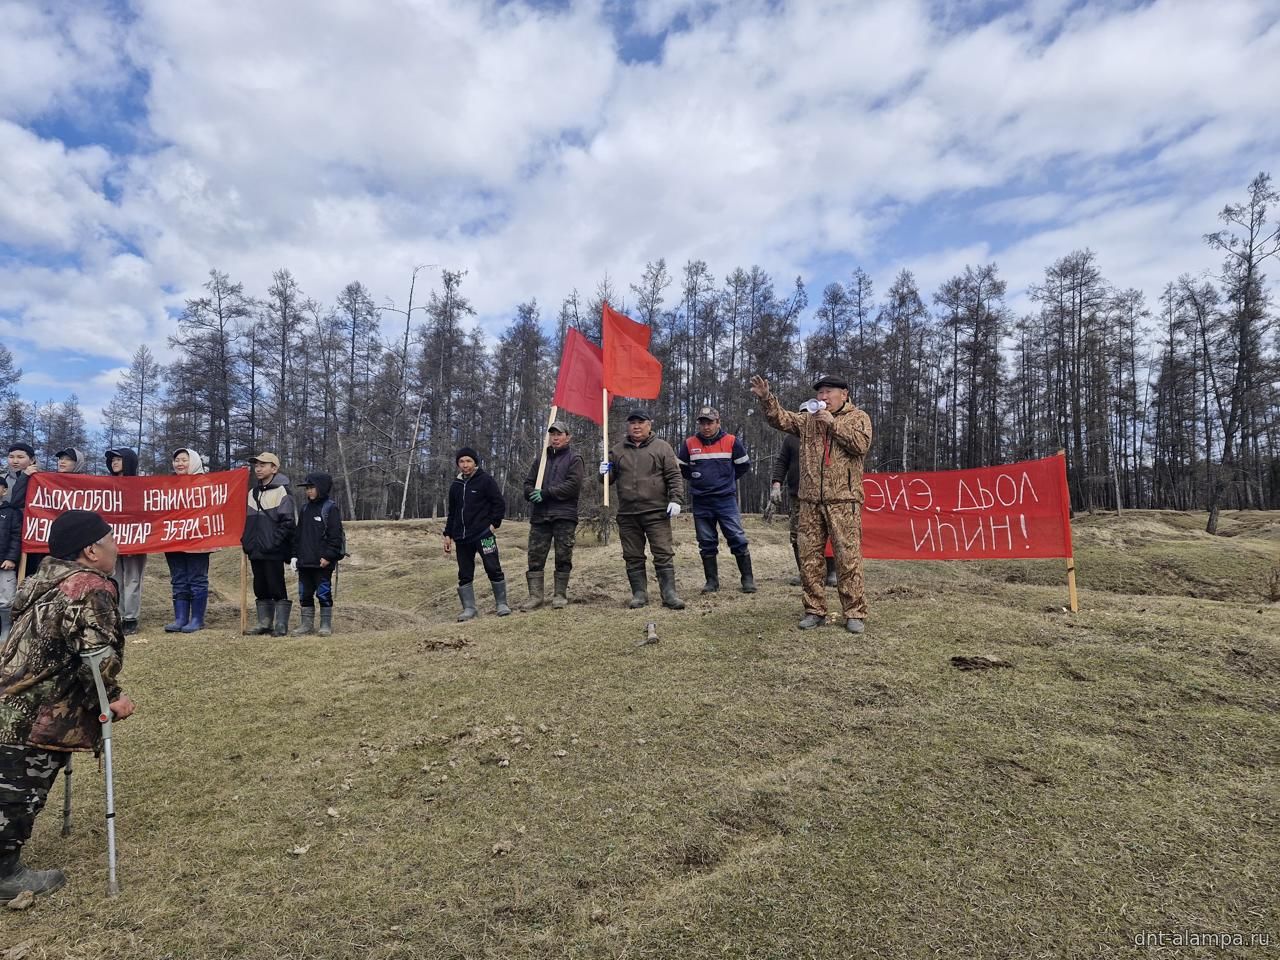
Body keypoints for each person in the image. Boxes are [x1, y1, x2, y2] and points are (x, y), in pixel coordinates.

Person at [0, 509, 136, 902]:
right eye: (111, 540)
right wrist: (113, 698)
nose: (116, 547)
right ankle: (4, 872)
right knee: (18, 790)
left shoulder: (42, 580)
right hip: (36, 710)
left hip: (10, 698)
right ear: (91, 550)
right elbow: (95, 659)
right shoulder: (90, 588)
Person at [751, 373, 873, 634]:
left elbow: (860, 446)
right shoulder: (807, 420)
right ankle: (814, 610)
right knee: (809, 558)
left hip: (844, 501)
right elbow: (779, 418)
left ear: (844, 394)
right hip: (809, 502)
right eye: (820, 392)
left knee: (847, 558)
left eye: (828, 392)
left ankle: (854, 612)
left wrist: (833, 424)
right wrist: (766, 398)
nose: (823, 397)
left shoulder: (858, 417)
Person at [599, 409, 686, 610]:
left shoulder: (662, 447)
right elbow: (607, 481)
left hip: (656, 511)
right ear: (628, 426)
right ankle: (639, 594)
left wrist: (676, 499)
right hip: (628, 514)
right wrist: (603, 472)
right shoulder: (616, 450)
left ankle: (669, 594)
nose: (636, 426)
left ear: (649, 425)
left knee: (663, 553)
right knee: (632, 555)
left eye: (640, 422)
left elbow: (674, 475)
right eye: (632, 423)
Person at [676, 406, 755, 594]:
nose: (706, 427)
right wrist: (699, 480)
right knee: (706, 542)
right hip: (701, 501)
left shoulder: (732, 441)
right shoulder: (689, 444)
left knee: (737, 538)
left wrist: (726, 479)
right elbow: (682, 468)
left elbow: (743, 465)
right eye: (702, 423)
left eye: (710, 423)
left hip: (725, 500)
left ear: (718, 423)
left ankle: (747, 579)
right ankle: (711, 582)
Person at [520, 420, 583, 611]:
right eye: (552, 434)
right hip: (540, 516)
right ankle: (535, 597)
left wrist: (546, 493)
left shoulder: (574, 459)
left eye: (559, 434)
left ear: (568, 437)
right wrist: (531, 493)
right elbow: (528, 484)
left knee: (563, 555)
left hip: (564, 515)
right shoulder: (541, 460)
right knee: (535, 556)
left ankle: (560, 595)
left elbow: (573, 486)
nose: (555, 438)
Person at [443, 447, 509, 621]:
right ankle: (469, 609)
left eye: (468, 461)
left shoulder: (486, 480)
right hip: (462, 538)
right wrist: (448, 535)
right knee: (464, 573)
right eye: (461, 461)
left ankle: (501, 604)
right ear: (458, 464)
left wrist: (493, 526)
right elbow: (452, 512)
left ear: (475, 463)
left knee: (493, 567)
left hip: (484, 535)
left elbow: (499, 504)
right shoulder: (455, 486)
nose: (465, 465)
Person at [771, 426, 838, 588]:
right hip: (798, 496)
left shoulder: (829, 434)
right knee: (797, 535)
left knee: (828, 533)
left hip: (825, 496)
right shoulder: (791, 438)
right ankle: (805, 572)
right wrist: (776, 484)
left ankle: (832, 571)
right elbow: (782, 462)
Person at [242, 452, 296, 637]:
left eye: (262, 465)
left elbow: (288, 522)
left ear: (274, 468)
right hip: (255, 548)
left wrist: (274, 543)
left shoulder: (282, 491)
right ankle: (264, 622)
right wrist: (247, 541)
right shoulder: (252, 493)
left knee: (276, 585)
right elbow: (246, 520)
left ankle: (281, 624)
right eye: (256, 465)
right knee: (260, 586)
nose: (258, 468)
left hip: (273, 549)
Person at [163, 448, 214, 634]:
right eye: (177, 460)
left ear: (193, 462)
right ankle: (181, 618)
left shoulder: (205, 484)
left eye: (184, 460)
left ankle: (197, 619)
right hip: (173, 539)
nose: (180, 464)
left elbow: (212, 510)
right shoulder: (168, 485)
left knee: (197, 578)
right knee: (178, 578)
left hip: (197, 540)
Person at [291, 473, 344, 636]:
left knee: (323, 593)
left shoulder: (330, 508)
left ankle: (325, 625)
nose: (308, 491)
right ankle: (306, 625)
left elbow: (335, 536)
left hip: (322, 563)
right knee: (304, 594)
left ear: (321, 488)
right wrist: (294, 555)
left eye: (311, 487)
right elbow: (298, 535)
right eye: (307, 488)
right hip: (304, 562)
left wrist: (328, 556)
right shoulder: (304, 509)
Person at [105, 448, 146, 635]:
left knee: (133, 578)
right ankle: (117, 615)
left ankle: (130, 618)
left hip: (134, 537)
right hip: (111, 539)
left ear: (128, 461)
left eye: (118, 459)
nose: (114, 462)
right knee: (114, 578)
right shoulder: (104, 485)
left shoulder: (141, 485)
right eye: (112, 459)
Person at [5, 443, 41, 576]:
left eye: (20, 457)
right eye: (11, 457)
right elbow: (13, 503)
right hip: (6, 535)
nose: (15, 461)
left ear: (32, 460)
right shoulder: (3, 479)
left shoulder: (41, 479)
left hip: (31, 535)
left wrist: (25, 476)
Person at [0, 477, 19, 644]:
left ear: (4, 491)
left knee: (5, 599)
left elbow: (16, 536)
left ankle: (6, 629)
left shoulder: (12, 512)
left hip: (4, 563)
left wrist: (11, 558)